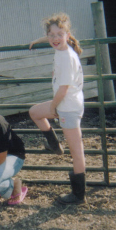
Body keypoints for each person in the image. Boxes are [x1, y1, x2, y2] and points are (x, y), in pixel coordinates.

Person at [29, 12, 86, 205]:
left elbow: (63, 89)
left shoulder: (67, 57)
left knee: (77, 153)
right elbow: (53, 36)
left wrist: (53, 107)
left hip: (67, 107)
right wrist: (39, 40)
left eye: (59, 34)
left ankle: (78, 195)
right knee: (34, 112)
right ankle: (54, 144)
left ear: (67, 35)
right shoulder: (61, 47)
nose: (54, 39)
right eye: (50, 35)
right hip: (63, 104)